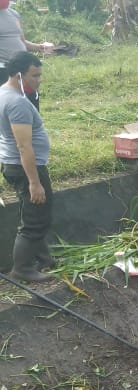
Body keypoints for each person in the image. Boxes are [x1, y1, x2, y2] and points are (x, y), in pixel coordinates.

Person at [1, 51, 52, 282]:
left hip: (12, 164)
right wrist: (34, 182)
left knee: (33, 211)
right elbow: (24, 146)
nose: (38, 80)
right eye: (35, 75)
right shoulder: (17, 102)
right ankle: (22, 269)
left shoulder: (3, 93)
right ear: (19, 75)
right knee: (35, 218)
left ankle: (43, 258)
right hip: (25, 168)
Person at [0, 0, 52, 112]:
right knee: (10, 106)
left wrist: (40, 47)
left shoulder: (14, 14)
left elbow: (22, 41)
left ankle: (33, 127)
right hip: (3, 69)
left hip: (23, 68)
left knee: (30, 101)